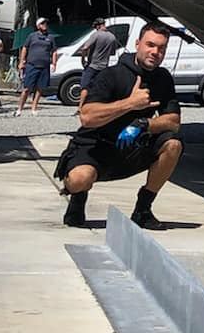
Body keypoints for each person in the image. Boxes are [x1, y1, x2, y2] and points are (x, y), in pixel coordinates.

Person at [54, 21, 182, 230]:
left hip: (132, 147)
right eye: (150, 45)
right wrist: (130, 104)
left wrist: (144, 124)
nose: (155, 52)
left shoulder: (163, 78)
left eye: (161, 48)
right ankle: (77, 198)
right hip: (96, 147)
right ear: (138, 43)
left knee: (173, 145)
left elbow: (173, 121)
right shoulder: (111, 75)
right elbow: (86, 117)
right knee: (80, 179)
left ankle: (143, 209)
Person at [17, 16, 57, 115]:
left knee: (40, 88)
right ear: (38, 25)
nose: (45, 25)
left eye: (46, 23)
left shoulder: (50, 37)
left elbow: (54, 51)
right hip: (32, 65)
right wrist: (22, 61)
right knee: (27, 88)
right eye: (43, 23)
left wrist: (54, 63)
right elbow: (25, 48)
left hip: (44, 66)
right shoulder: (32, 36)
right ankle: (19, 109)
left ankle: (34, 108)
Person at [74, 15, 118, 93]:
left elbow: (85, 48)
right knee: (99, 89)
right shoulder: (112, 37)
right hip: (104, 67)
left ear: (98, 26)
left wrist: (83, 60)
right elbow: (113, 52)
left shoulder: (96, 35)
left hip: (92, 66)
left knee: (84, 87)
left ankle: (83, 104)